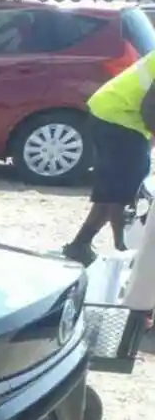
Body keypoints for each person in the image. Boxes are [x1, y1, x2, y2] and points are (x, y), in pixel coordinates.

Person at [64, 48, 155, 266]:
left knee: (114, 187)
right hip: (119, 118)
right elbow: (150, 109)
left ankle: (81, 245)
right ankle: (124, 250)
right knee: (126, 187)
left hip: (112, 112)